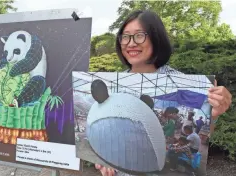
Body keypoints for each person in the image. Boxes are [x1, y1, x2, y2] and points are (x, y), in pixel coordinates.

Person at [95, 9, 232, 176]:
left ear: (156, 38)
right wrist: (104, 161)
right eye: (125, 36)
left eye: (139, 35)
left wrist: (215, 111)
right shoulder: (113, 85)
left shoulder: (182, 83)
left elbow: (205, 134)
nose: (130, 43)